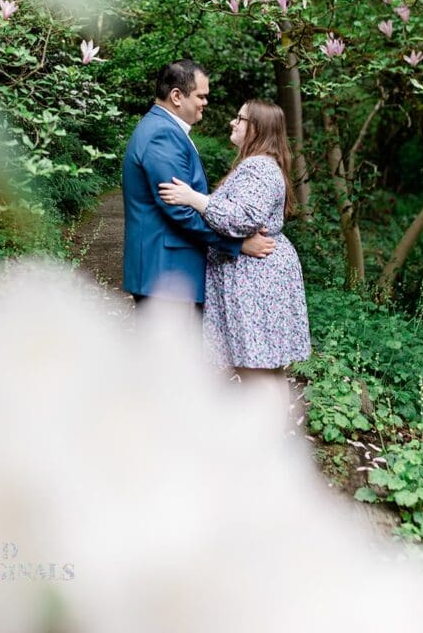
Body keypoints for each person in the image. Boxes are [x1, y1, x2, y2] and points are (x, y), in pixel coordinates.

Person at [158, 100, 311, 403]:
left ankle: (267, 431)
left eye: (240, 118)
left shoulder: (258, 167)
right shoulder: (263, 164)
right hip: (260, 274)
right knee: (265, 367)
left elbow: (243, 218)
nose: (233, 122)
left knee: (255, 368)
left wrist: (194, 199)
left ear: (257, 129)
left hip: (256, 277)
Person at [122, 61, 275, 308]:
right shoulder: (162, 134)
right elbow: (180, 210)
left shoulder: (165, 128)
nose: (205, 102)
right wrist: (237, 244)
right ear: (176, 96)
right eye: (200, 96)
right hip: (166, 274)